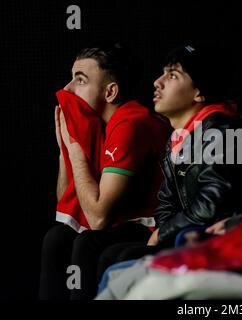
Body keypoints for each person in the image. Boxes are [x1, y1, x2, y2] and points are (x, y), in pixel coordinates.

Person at [96, 44, 242, 278]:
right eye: (163, 72)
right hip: (183, 234)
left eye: (172, 75)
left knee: (119, 260)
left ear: (199, 93)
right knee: (104, 251)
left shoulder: (222, 133)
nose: (158, 81)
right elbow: (166, 202)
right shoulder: (179, 137)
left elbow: (211, 206)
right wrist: (163, 232)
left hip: (217, 242)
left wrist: (163, 233)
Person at [39, 42, 170, 300]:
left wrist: (75, 148)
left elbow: (98, 218)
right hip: (119, 220)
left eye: (80, 80)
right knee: (56, 237)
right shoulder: (99, 125)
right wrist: (64, 149)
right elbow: (67, 199)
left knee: (88, 242)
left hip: (151, 225)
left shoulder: (130, 124)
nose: (67, 89)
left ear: (110, 92)